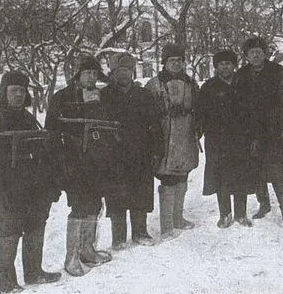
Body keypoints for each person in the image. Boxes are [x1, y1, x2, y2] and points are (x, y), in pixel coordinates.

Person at [0, 71, 61, 293]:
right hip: (6, 188)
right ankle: (7, 283)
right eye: (14, 91)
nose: (19, 95)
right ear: (4, 93)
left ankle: (33, 272)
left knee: (36, 225)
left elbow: (42, 152)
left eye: (22, 91)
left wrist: (48, 184)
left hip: (32, 187)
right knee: (9, 230)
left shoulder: (28, 119)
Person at [45, 55, 113, 276]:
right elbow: (52, 132)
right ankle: (71, 257)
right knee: (80, 205)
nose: (91, 77)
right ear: (78, 75)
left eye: (94, 73)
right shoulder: (62, 98)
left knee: (94, 203)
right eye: (87, 73)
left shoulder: (101, 97)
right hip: (73, 160)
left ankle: (87, 249)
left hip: (97, 158)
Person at [101, 52, 163, 249]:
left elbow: (154, 124)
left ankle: (140, 231)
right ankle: (118, 237)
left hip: (140, 152)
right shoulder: (104, 95)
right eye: (120, 71)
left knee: (140, 192)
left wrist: (156, 151)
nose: (124, 74)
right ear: (113, 73)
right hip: (114, 154)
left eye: (128, 70)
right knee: (117, 195)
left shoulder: (143, 95)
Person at [235, 37, 283, 222]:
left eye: (258, 52)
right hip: (251, 132)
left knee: (277, 171)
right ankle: (264, 204)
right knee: (257, 169)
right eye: (251, 53)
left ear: (265, 54)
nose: (255, 55)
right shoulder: (242, 74)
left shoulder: (278, 72)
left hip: (274, 130)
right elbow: (238, 103)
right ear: (246, 56)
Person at [196, 50, 257, 228]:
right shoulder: (208, 87)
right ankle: (225, 214)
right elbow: (200, 114)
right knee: (221, 177)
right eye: (221, 64)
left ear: (234, 65)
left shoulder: (244, 85)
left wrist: (253, 135)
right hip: (217, 140)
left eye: (228, 63)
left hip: (241, 139)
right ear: (216, 67)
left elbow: (253, 113)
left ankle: (240, 214)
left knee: (241, 176)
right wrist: (199, 131)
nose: (225, 67)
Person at [145, 43, 199, 239]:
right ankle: (166, 225)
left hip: (185, 136)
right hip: (164, 136)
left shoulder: (192, 83)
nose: (176, 64)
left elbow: (199, 109)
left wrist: (196, 129)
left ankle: (178, 218)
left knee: (183, 176)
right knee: (167, 178)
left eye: (179, 60)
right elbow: (147, 114)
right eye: (171, 61)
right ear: (164, 63)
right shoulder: (153, 84)